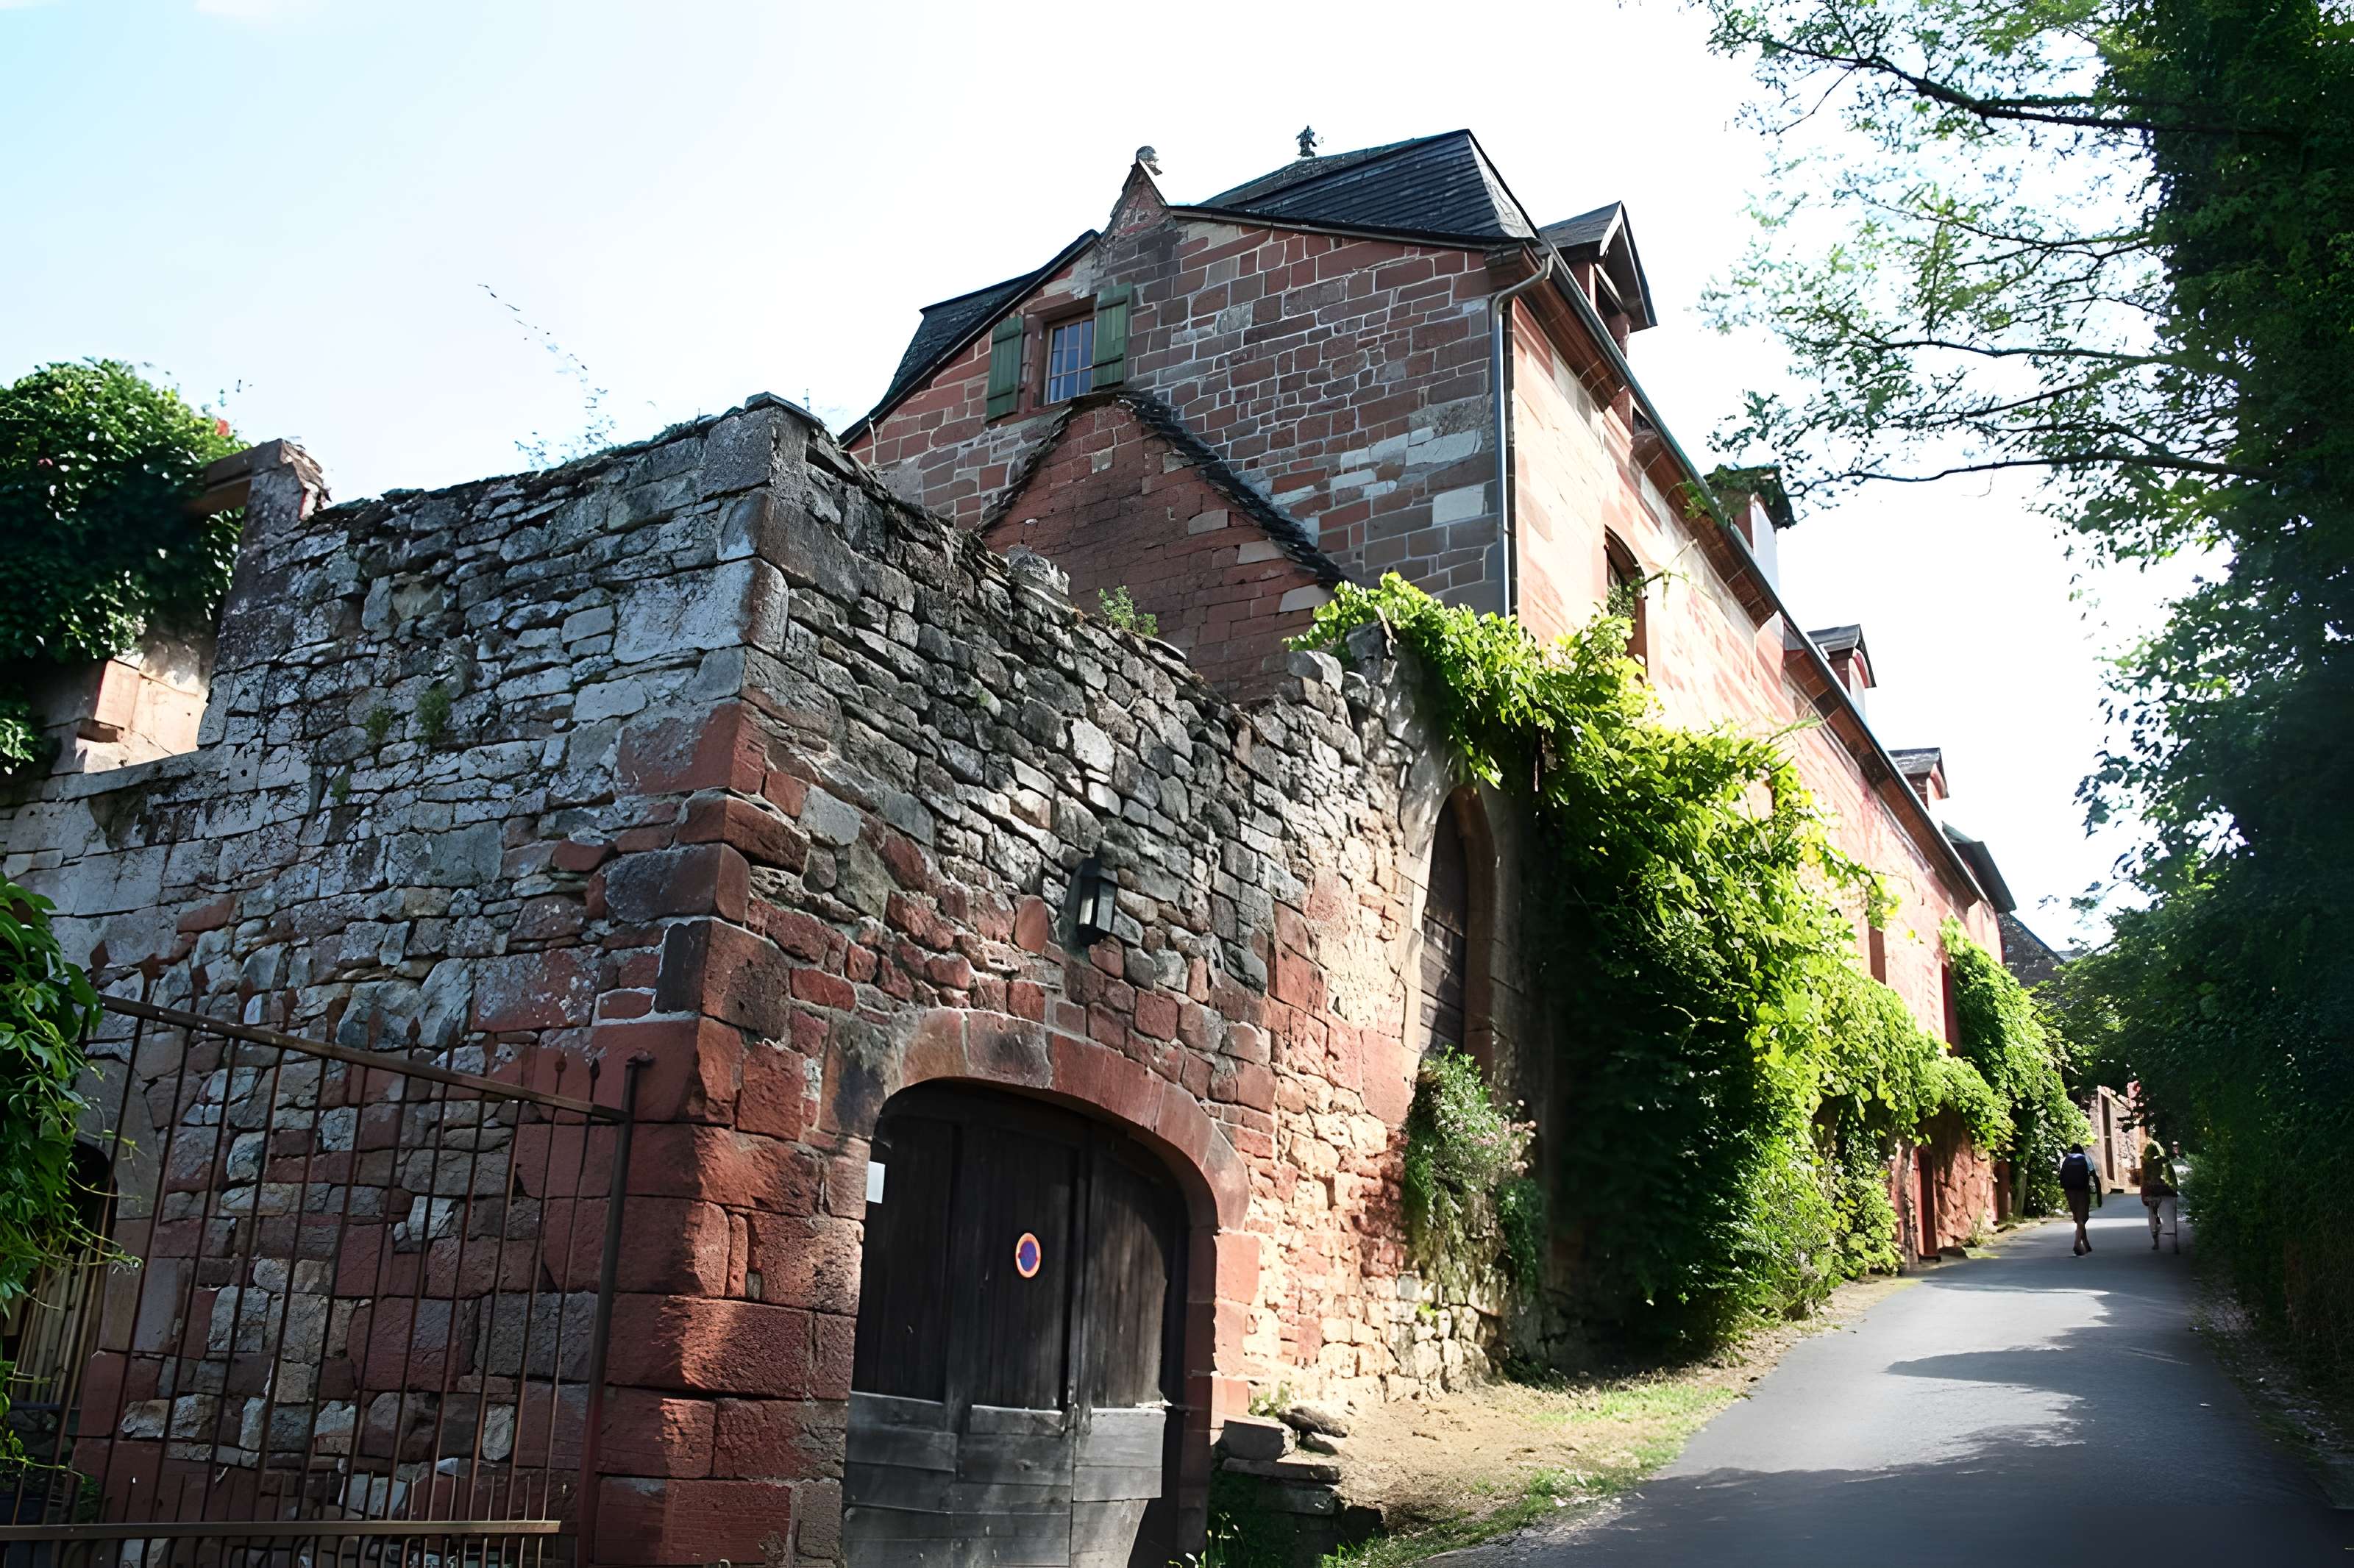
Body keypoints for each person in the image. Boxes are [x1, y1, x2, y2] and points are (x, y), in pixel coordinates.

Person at [2059, 1142, 2102, 1254]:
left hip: (2069, 1190)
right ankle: (2077, 1244)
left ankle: (2086, 1244)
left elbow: (2061, 1176)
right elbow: (2094, 1176)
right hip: (2082, 1189)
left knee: (2077, 1217)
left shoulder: (2066, 1159)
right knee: (2082, 1218)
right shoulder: (2086, 1158)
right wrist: (2099, 1197)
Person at [2140, 1138, 2177, 1250]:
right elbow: (2173, 1180)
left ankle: (2156, 1241)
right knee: (2168, 1216)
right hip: (2166, 1194)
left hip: (2153, 1195)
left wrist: (2144, 1196)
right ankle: (2171, 1240)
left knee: (2153, 1216)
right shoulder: (2165, 1162)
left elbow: (2144, 1183)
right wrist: (2174, 1190)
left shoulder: (2146, 1164)